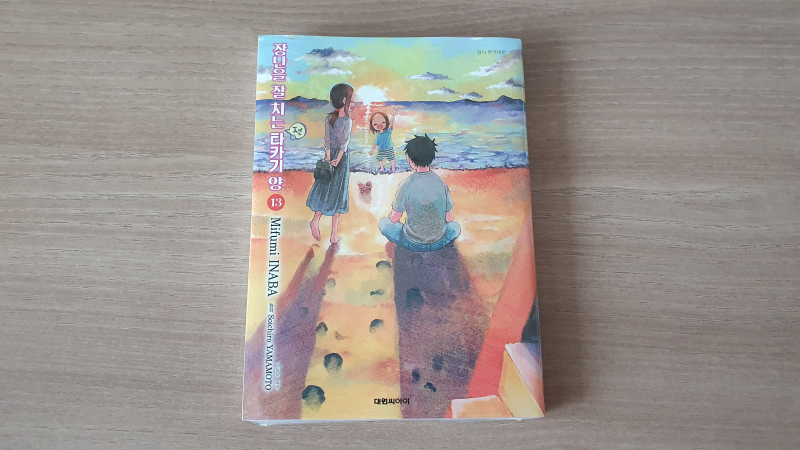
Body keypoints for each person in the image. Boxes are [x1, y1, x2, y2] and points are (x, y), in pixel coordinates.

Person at [379, 134, 460, 252]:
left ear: (409, 158)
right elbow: (450, 218)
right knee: (455, 227)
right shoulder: (441, 183)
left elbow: (394, 218)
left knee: (384, 223)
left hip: (411, 242)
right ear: (431, 157)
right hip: (439, 242)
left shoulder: (405, 185)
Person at [306, 83, 355, 244]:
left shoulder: (329, 118)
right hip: (341, 159)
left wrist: (328, 158)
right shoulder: (347, 120)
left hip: (331, 157)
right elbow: (344, 144)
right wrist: (337, 160)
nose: (354, 104)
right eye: (352, 100)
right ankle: (333, 235)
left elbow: (327, 141)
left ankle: (316, 220)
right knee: (338, 194)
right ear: (344, 100)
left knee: (325, 189)